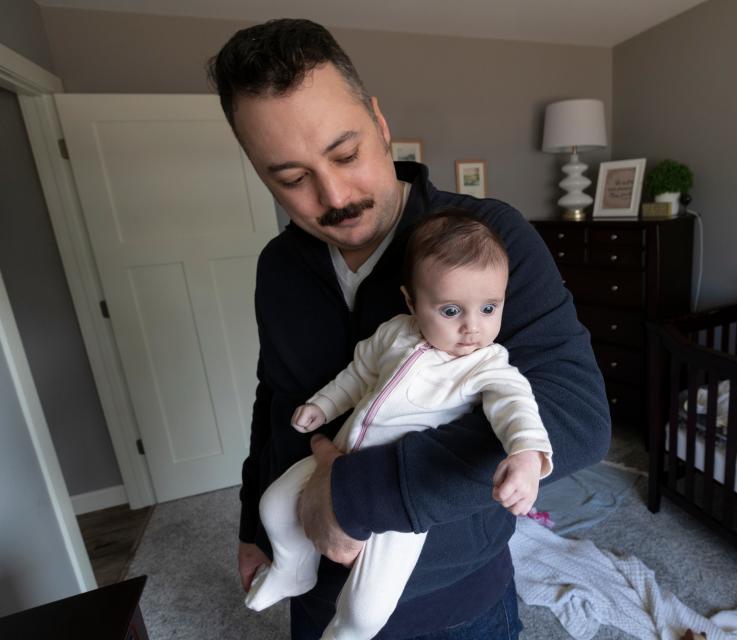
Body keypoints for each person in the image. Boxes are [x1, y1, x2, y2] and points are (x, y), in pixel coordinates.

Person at [206, 18, 611, 640]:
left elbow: (577, 417)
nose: (335, 195)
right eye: (291, 178)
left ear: (379, 122)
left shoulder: (490, 241)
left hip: (456, 601)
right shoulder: (279, 268)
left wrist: (353, 496)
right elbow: (276, 401)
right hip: (313, 588)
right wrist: (254, 529)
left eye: (346, 154)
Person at [246, 211, 554, 640]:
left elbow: (516, 406)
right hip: (338, 454)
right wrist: (323, 404)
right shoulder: (393, 334)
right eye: (450, 310)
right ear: (412, 302)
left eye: (489, 307)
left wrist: (525, 455)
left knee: (371, 599)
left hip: (402, 496)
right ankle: (292, 569)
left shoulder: (487, 364)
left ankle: (348, 633)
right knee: (274, 504)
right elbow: (357, 375)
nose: (473, 327)